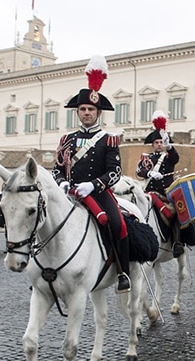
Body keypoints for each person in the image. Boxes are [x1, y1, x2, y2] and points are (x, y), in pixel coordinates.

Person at [53, 55, 131, 293]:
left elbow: (115, 172)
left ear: (98, 113)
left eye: (90, 109)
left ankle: (122, 272)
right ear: (78, 112)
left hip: (97, 194)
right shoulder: (67, 139)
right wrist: (63, 183)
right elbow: (56, 169)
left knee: (118, 225)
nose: (86, 113)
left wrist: (94, 185)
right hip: (71, 194)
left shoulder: (108, 139)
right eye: (83, 109)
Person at [135, 110, 185, 258]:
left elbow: (175, 158)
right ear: (152, 144)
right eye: (156, 143)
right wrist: (149, 173)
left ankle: (177, 242)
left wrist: (169, 146)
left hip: (165, 193)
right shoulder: (147, 158)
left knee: (175, 211)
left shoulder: (168, 157)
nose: (158, 145)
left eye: (160, 142)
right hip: (149, 192)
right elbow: (139, 170)